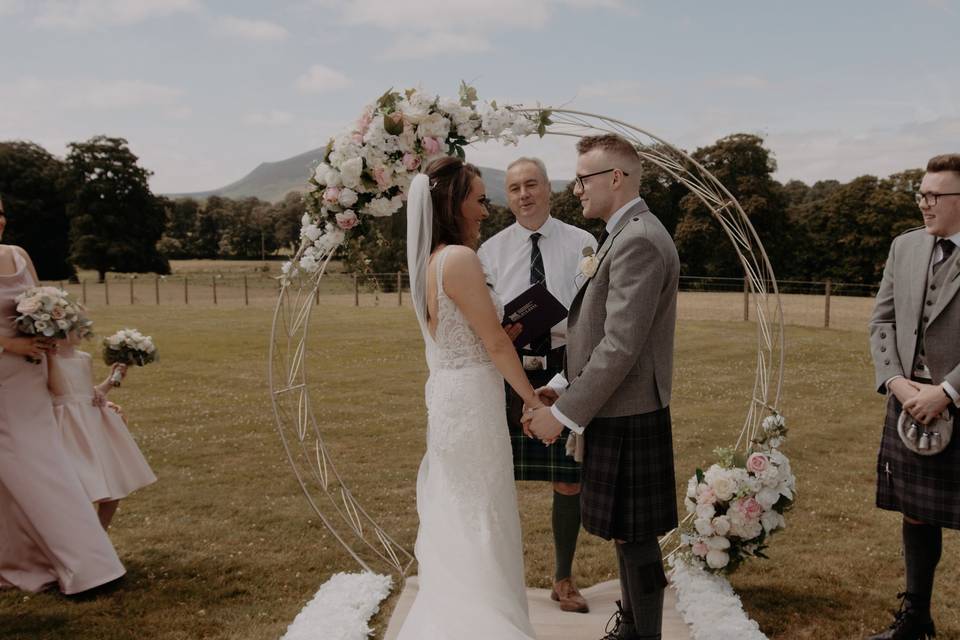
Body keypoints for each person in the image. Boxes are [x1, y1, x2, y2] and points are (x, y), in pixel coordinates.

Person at [525, 135, 680, 640]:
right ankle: (632, 628)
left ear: (616, 178)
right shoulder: (622, 233)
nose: (575, 190)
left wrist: (564, 413)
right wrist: (562, 383)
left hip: (628, 410)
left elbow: (620, 347)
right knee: (625, 532)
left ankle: (643, 635)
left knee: (635, 538)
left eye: (583, 179)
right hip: (619, 407)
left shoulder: (637, 239)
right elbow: (599, 335)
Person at [397, 158, 541, 639]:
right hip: (474, 400)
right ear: (452, 204)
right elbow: (496, 345)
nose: (486, 209)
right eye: (478, 199)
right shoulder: (460, 259)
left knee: (460, 505)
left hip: (451, 394)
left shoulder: (432, 262)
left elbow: (474, 335)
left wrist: (502, 333)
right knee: (482, 507)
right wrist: (531, 401)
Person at [478, 157, 597, 613]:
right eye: (514, 188)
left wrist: (567, 378)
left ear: (549, 188)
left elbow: (591, 310)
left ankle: (563, 579)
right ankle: (495, 580)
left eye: (532, 184)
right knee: (496, 478)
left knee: (569, 481)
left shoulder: (582, 241)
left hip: (566, 367)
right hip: (510, 373)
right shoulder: (490, 251)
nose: (524, 194)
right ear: (507, 197)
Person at [0, 193, 126, 594]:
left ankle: (30, 562)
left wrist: (48, 332)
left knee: (37, 466)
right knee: (33, 469)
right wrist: (9, 346)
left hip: (33, 374)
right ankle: (87, 566)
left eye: (1, 213)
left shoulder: (19, 255)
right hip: (3, 374)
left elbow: (35, 304)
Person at [867, 153, 960, 640]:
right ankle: (916, 619)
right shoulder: (904, 247)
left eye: (934, 196)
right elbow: (881, 321)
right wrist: (898, 383)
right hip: (907, 403)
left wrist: (947, 391)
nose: (924, 203)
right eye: (921, 194)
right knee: (917, 511)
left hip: (955, 401)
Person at [49, 333, 156, 530]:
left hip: (91, 424)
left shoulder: (84, 358)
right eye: (77, 327)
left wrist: (109, 383)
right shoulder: (47, 359)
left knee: (112, 483)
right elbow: (61, 395)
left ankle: (101, 534)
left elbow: (88, 394)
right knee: (82, 485)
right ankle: (81, 536)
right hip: (66, 427)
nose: (82, 333)